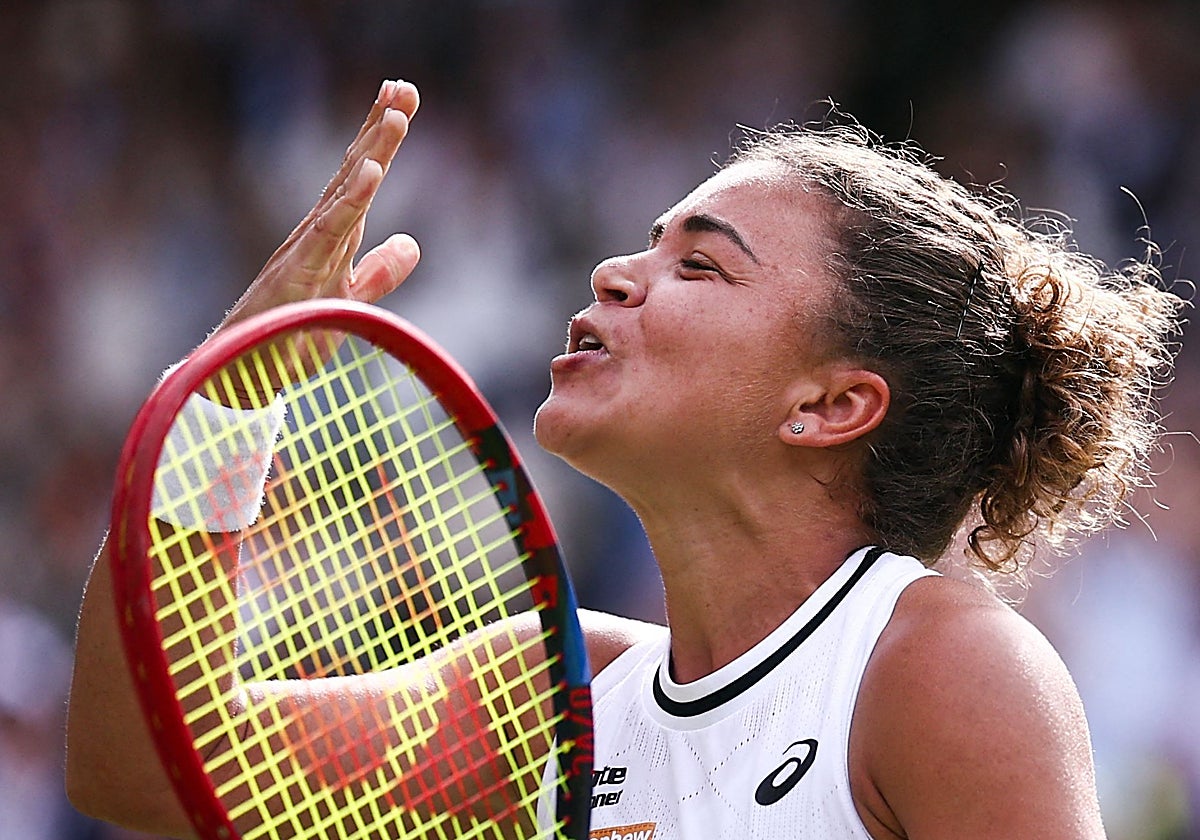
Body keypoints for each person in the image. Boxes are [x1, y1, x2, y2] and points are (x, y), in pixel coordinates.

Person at [65, 79, 1181, 839]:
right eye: (647, 242)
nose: (614, 271)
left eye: (701, 267)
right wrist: (230, 404)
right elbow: (145, 765)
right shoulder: (559, 690)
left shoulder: (942, 666)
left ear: (831, 403)